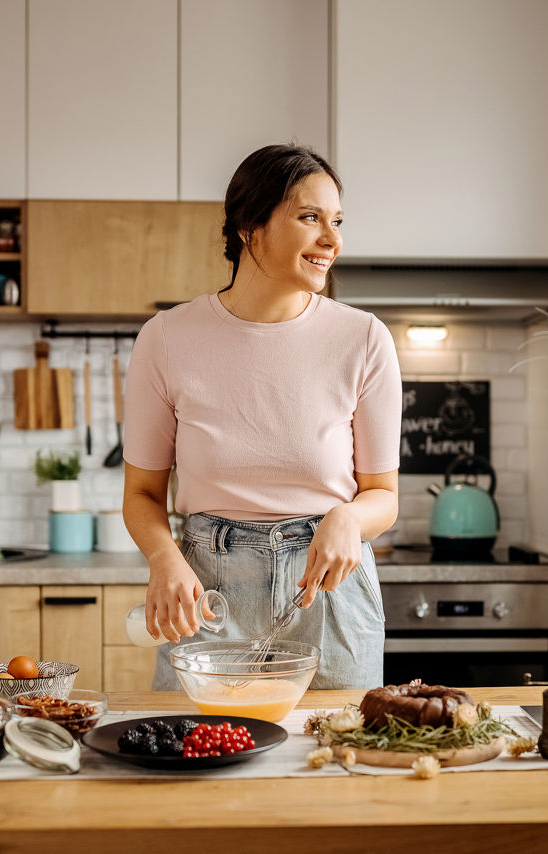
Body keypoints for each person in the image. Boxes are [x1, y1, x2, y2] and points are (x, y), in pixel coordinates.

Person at [121, 143, 402, 690]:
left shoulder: (363, 339)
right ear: (250, 226)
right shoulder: (167, 339)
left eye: (337, 221)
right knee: (200, 762)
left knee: (333, 763)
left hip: (329, 597)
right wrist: (164, 559)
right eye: (309, 217)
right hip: (208, 595)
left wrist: (347, 519)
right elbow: (141, 495)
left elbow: (382, 496)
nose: (333, 240)